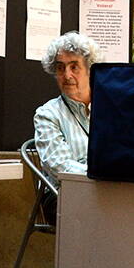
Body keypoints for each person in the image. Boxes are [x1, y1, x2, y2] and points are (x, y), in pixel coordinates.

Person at [33, 32, 101, 179]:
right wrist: (104, 175)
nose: (67, 75)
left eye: (74, 67)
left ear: (90, 70)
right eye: (60, 68)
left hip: (111, 190)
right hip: (67, 193)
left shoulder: (109, 109)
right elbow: (59, 166)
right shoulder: (48, 114)